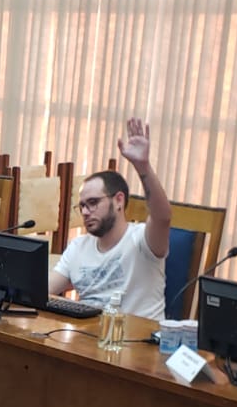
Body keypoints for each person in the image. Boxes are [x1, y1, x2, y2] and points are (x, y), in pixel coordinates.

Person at [50, 118, 172, 319]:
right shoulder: (78, 247)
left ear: (118, 201)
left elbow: (163, 216)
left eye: (93, 202)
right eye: (82, 206)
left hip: (136, 336)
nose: (86, 212)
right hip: (87, 335)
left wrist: (143, 167)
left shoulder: (143, 240)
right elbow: (44, 290)